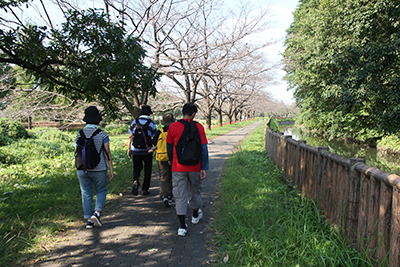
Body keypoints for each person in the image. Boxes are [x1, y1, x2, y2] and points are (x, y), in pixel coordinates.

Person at [166, 103, 209, 237]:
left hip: (178, 167)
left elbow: (169, 146)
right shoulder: (199, 127)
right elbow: (203, 149)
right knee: (195, 191)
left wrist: (171, 160)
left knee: (180, 195)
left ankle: (182, 227)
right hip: (195, 167)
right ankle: (195, 215)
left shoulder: (173, 126)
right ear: (194, 114)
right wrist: (204, 167)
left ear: (182, 112)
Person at [75, 106, 114, 229]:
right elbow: (107, 152)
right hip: (99, 168)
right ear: (98, 119)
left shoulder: (79, 133)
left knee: (86, 193)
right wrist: (111, 168)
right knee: (101, 190)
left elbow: (77, 151)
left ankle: (88, 220)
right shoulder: (102, 133)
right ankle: (96, 214)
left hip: (82, 168)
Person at [127, 105, 157, 196]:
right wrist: (153, 148)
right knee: (147, 169)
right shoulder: (151, 123)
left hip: (135, 150)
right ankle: (145, 189)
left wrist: (129, 149)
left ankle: (135, 180)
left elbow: (130, 136)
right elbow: (155, 137)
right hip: (147, 151)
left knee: (137, 168)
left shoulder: (135, 122)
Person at [151, 113, 175, 207]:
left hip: (161, 157)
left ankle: (164, 195)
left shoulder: (159, 132)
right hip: (172, 157)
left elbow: (154, 144)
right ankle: (170, 195)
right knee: (172, 176)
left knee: (163, 176)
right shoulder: (173, 131)